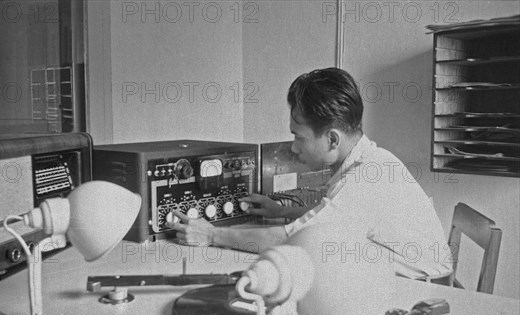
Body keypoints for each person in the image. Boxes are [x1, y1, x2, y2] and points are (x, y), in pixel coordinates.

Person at [167, 68, 452, 279]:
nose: (293, 147)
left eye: (298, 136)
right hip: (410, 275)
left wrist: (212, 236)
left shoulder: (365, 178)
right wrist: (279, 211)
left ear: (331, 139)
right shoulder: (367, 159)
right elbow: (331, 218)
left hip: (421, 289)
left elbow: (293, 241)